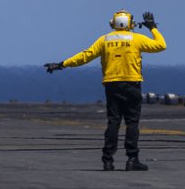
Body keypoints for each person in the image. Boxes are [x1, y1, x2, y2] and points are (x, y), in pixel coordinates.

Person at [45, 9, 167, 171]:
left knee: (113, 122)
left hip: (111, 85)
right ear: (130, 23)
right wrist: (152, 27)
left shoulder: (105, 40)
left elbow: (85, 56)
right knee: (132, 122)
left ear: (113, 23)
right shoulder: (137, 39)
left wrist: (62, 64)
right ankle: (132, 159)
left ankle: (107, 160)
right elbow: (161, 45)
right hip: (132, 85)